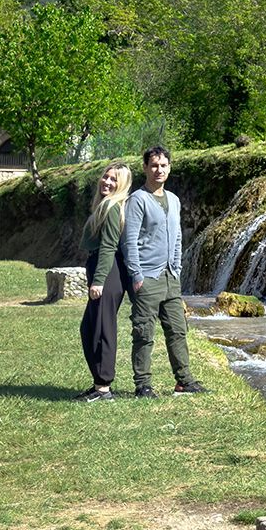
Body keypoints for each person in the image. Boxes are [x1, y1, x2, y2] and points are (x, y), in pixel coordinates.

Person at [121, 145, 208, 398]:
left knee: (178, 330)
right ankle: (143, 384)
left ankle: (184, 380)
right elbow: (130, 241)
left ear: (169, 168)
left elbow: (178, 238)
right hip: (147, 277)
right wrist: (136, 276)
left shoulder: (174, 200)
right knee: (144, 332)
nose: (159, 170)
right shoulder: (138, 199)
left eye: (164, 165)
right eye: (154, 165)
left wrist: (177, 270)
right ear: (146, 168)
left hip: (171, 277)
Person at [77, 162, 134, 400]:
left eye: (114, 180)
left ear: (122, 185)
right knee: (89, 328)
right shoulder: (103, 205)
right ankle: (99, 382)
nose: (107, 182)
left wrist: (98, 281)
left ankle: (104, 388)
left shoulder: (112, 207)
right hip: (102, 269)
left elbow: (109, 247)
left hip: (108, 273)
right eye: (106, 177)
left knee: (102, 329)